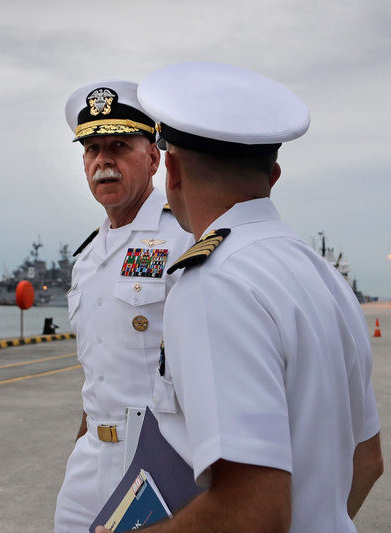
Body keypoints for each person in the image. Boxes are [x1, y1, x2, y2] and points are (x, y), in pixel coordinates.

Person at [96, 62, 383, 532]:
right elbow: (367, 461)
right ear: (273, 173)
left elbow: (253, 513)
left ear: (171, 169)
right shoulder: (324, 277)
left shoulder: (215, 282)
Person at [54, 80, 194, 532]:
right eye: (92, 149)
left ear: (153, 157)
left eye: (119, 146)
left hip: (161, 462)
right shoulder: (89, 258)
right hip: (90, 458)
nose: (103, 161)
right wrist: (84, 440)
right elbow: (99, 368)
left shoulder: (184, 240)